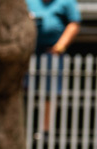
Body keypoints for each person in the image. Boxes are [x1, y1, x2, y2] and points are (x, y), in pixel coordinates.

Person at [26, 0, 81, 132]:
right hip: (29, 53)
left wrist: (60, 46)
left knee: (50, 92)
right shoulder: (29, 2)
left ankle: (45, 130)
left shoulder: (66, 2)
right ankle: (24, 125)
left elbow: (74, 23)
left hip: (52, 53)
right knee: (24, 89)